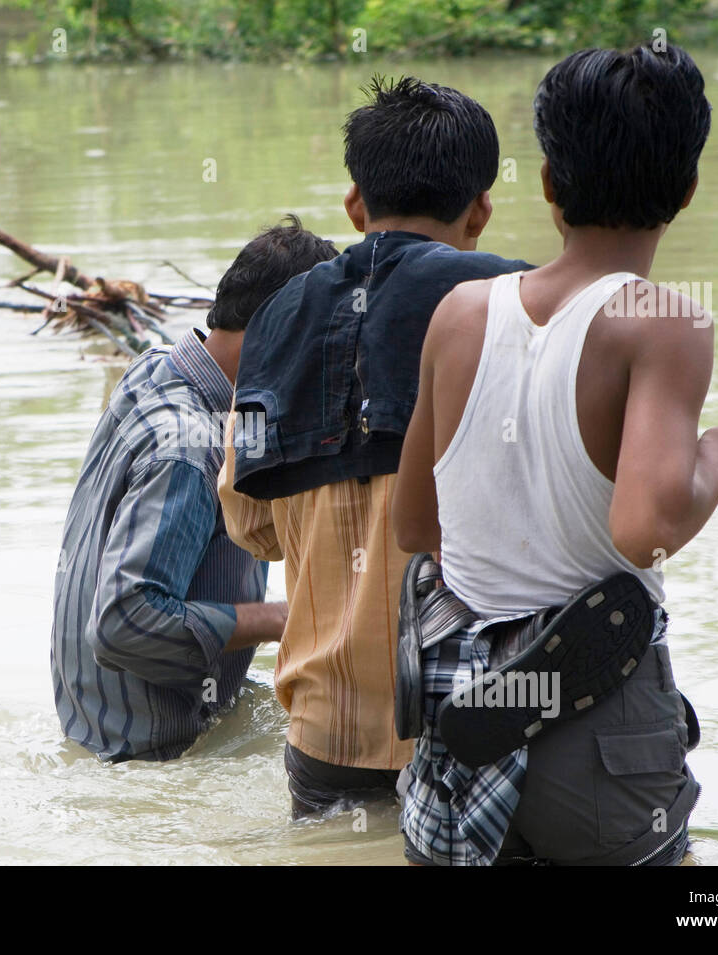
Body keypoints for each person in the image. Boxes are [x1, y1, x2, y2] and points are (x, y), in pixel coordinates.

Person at [392, 45, 718, 866]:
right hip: (599, 736)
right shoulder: (664, 322)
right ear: (685, 193)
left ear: (546, 183)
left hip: (465, 729)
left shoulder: (461, 311)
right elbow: (643, 529)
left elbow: (411, 524)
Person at [218, 78, 531, 818]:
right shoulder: (515, 301)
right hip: (464, 717)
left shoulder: (274, 320)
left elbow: (250, 523)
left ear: (354, 203)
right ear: (482, 207)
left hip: (322, 735)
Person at [51, 216, 338, 762]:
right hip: (153, 753)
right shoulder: (191, 446)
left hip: (91, 726)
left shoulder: (153, 367)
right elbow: (121, 622)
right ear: (278, 338)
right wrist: (283, 619)